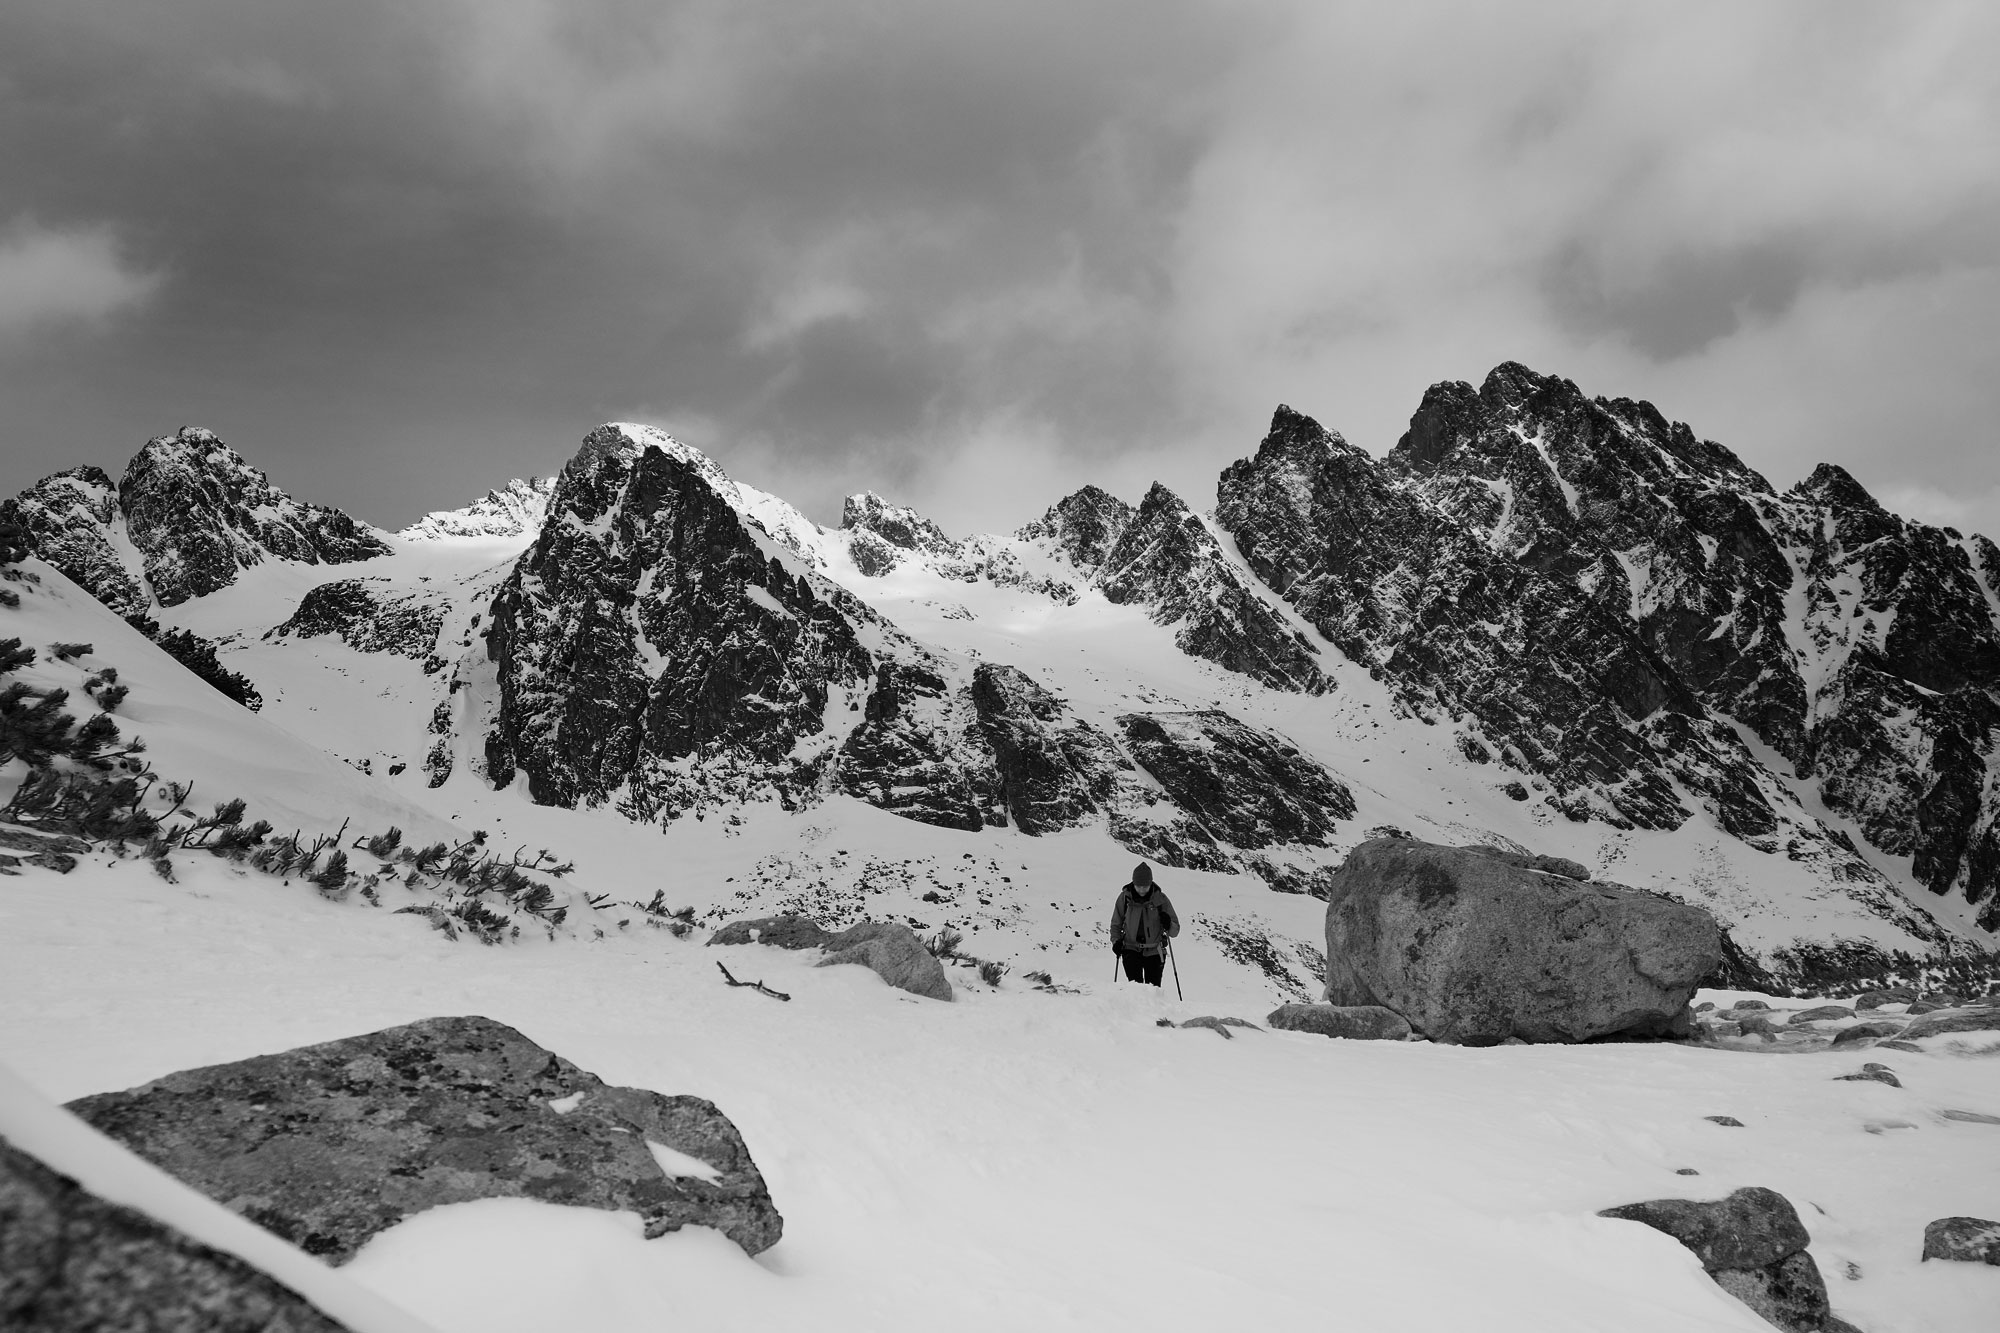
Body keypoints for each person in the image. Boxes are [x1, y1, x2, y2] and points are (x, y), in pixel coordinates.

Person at [1109, 862, 1178, 986]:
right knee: (1136, 990)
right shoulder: (1125, 898)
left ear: (1150, 883)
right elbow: (1116, 924)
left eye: (1145, 886)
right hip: (1130, 949)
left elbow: (1175, 931)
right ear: (1133, 883)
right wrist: (1116, 941)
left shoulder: (1160, 900)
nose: (1141, 890)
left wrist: (1168, 924)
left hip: (1155, 952)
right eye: (1138, 886)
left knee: (1153, 990)